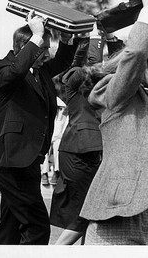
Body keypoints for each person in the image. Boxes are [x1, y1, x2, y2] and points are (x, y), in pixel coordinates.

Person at [79, 0, 148, 245]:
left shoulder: (141, 95)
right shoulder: (120, 93)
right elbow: (136, 54)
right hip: (118, 217)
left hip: (139, 215)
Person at [0, 10, 76, 245]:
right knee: (36, 227)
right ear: (25, 45)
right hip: (11, 160)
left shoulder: (40, 71)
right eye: (42, 48)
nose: (46, 54)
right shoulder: (2, 68)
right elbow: (15, 72)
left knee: (11, 227)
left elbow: (63, 61)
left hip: (28, 159)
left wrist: (66, 38)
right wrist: (37, 36)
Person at [50, 27, 124, 245]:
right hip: (79, 150)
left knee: (89, 211)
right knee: (88, 212)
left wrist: (110, 39)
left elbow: (122, 66)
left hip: (84, 149)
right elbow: (87, 67)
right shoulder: (75, 79)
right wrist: (93, 38)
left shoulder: (101, 83)